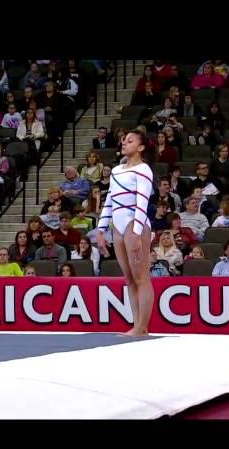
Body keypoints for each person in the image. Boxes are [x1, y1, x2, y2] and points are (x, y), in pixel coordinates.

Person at [96, 128, 154, 336]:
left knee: (141, 278)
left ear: (140, 147)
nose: (124, 142)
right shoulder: (116, 171)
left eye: (129, 141)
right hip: (118, 226)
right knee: (129, 279)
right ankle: (137, 324)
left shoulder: (143, 169)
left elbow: (142, 202)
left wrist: (136, 233)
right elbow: (110, 200)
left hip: (133, 223)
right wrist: (101, 229)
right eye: (123, 140)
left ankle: (141, 326)